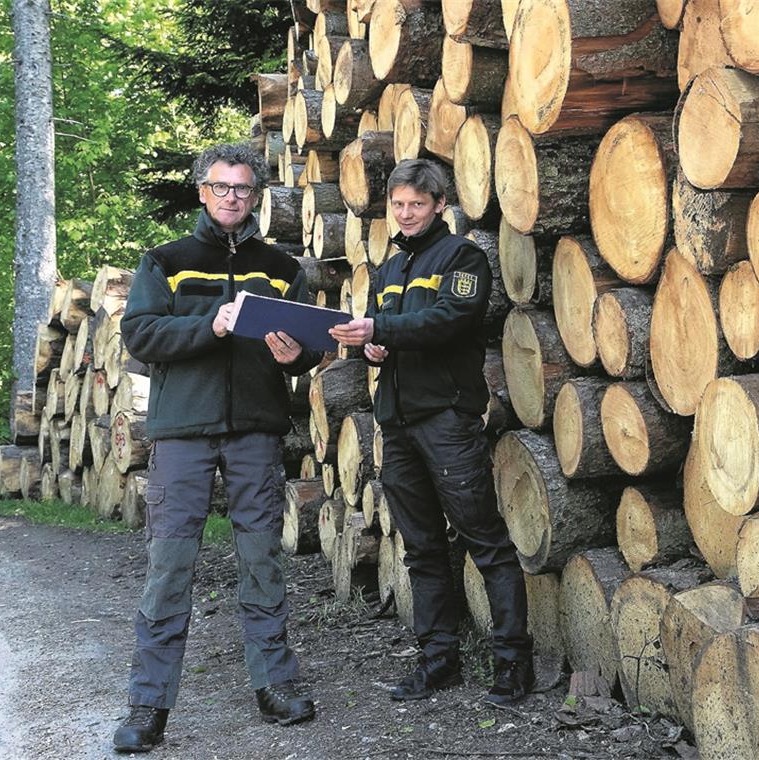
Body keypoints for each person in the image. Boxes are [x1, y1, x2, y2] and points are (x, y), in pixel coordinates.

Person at [113, 143, 321, 753]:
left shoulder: (281, 267)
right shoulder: (165, 261)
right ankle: (148, 705)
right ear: (203, 192)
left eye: (244, 189)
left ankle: (275, 685)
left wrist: (298, 355)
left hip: (256, 429)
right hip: (182, 434)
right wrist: (213, 325)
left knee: (262, 560)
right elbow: (141, 334)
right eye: (222, 187)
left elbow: (309, 344)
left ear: (257, 196)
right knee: (170, 566)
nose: (233, 197)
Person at [330, 159, 534, 705]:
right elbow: (388, 336)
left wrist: (383, 329)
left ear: (439, 205)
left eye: (416, 205)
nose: (406, 213)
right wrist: (374, 347)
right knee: (421, 548)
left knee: (484, 541)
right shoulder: (390, 268)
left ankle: (514, 663)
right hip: (396, 425)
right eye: (398, 205)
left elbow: (452, 320)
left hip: (447, 420)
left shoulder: (463, 257)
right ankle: (438, 660)